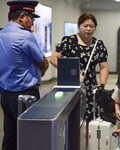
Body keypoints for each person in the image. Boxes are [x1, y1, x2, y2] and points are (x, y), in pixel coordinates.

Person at [50, 12, 109, 149]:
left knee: (89, 119)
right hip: (70, 86)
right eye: (85, 26)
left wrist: (102, 83)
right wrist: (69, 69)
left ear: (95, 28)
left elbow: (104, 66)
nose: (88, 29)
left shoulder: (98, 45)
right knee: (71, 118)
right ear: (79, 26)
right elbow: (53, 59)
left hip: (90, 87)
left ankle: (86, 146)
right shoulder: (69, 41)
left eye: (91, 26)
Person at [0, 1, 49, 150]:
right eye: (31, 19)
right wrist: (41, 72)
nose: (32, 23)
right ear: (22, 17)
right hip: (26, 96)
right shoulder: (25, 36)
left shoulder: (1, 34)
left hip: (6, 95)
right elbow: (44, 62)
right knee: (31, 136)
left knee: (10, 136)